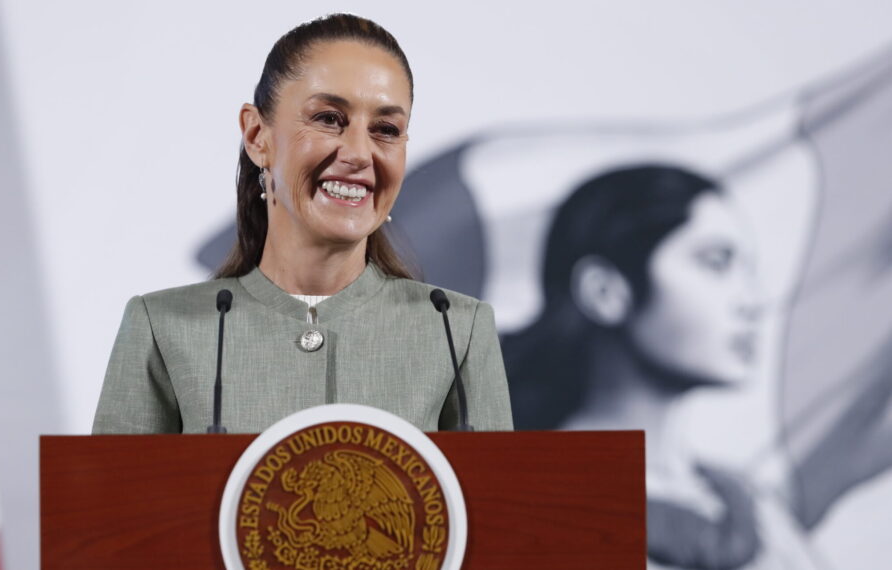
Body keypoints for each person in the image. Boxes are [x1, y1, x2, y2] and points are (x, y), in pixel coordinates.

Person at [93, 14, 514, 435]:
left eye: (386, 129)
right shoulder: (162, 326)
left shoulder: (456, 327)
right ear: (257, 135)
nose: (359, 153)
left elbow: (495, 500)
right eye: (329, 118)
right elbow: (110, 498)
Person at [503, 164, 892, 569]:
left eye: (748, 272)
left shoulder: (753, 509)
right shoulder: (524, 506)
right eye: (716, 262)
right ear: (604, 291)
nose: (752, 301)